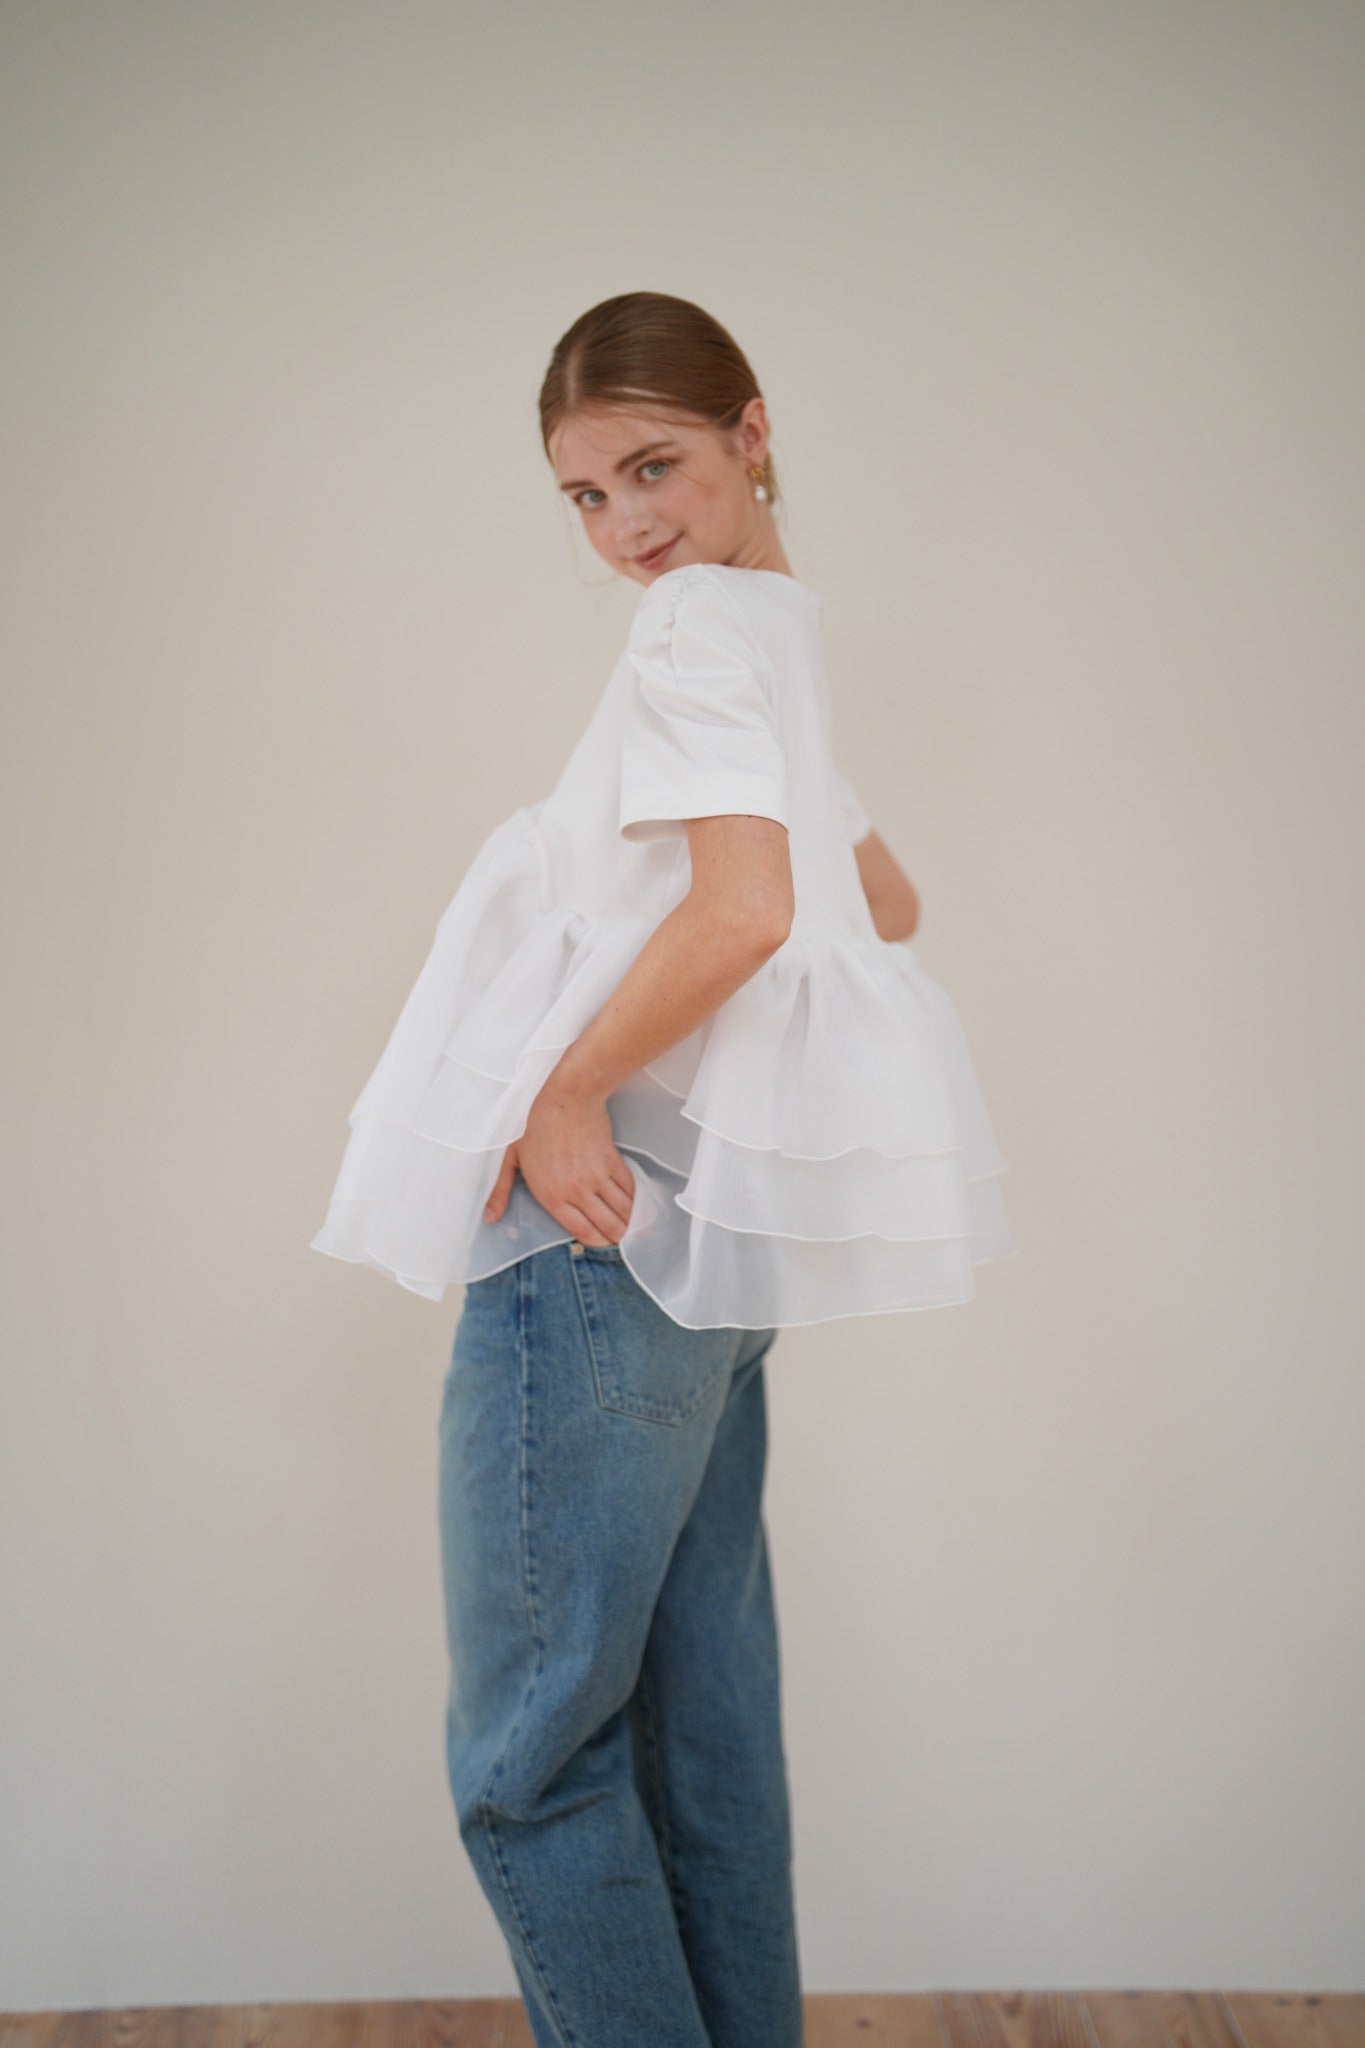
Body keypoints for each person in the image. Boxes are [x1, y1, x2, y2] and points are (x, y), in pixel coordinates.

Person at [310, 291, 1018, 2046]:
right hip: (708, 1275)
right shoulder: (775, 625)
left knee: (531, 1762)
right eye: (584, 495)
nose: (625, 526)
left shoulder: (694, 628)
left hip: (596, 1247)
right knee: (703, 1743)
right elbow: (880, 902)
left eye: (653, 467)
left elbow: (748, 909)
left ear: (750, 433)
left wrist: (562, 1091)